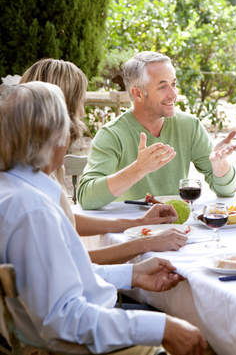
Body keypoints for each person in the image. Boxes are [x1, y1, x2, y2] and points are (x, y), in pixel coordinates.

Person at [0, 82, 206, 355]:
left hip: (56, 333)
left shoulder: (13, 192)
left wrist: (134, 274)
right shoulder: (32, 211)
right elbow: (62, 319)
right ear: (56, 136)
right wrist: (163, 327)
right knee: (211, 340)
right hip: (71, 348)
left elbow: (57, 277)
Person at [20, 58, 188, 264]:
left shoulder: (35, 165)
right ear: (58, 109)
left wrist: (138, 222)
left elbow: (65, 219)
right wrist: (145, 246)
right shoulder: (31, 182)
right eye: (79, 102)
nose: (82, 112)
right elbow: (69, 265)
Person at [78, 51, 236, 210]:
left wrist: (220, 166)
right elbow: (86, 198)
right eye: (163, 87)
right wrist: (138, 169)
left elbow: (227, 192)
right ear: (138, 93)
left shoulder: (189, 126)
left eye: (174, 84)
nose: (173, 94)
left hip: (177, 226)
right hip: (130, 230)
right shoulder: (112, 134)